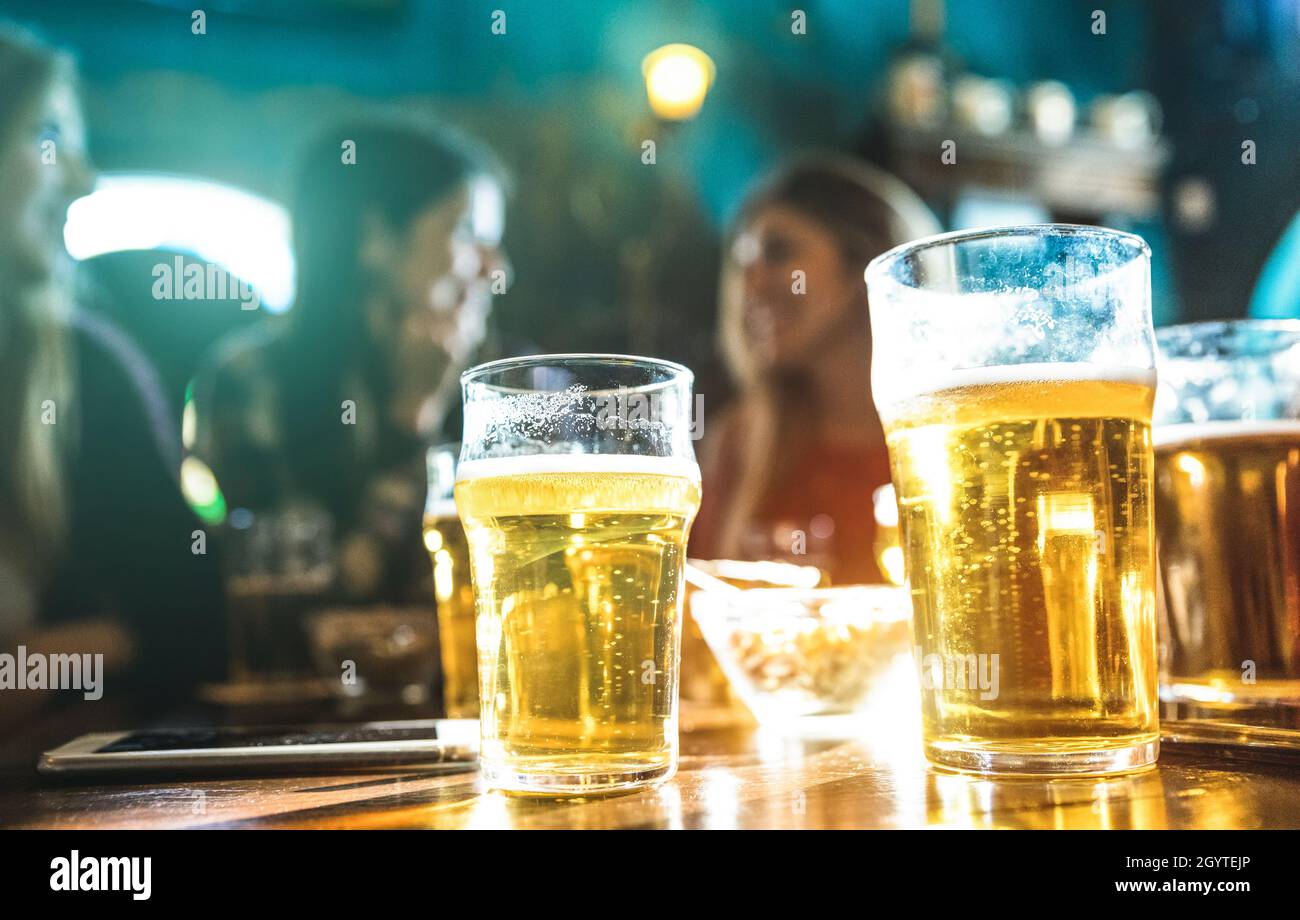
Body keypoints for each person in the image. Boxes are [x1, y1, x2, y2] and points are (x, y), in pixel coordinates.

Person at [0, 25, 225, 726]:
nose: (84, 177)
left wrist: (30, 663)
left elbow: (193, 623)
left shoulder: (83, 371)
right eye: (48, 137)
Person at [190, 119, 507, 604]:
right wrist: (411, 416)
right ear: (374, 239)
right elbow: (313, 601)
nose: (495, 268)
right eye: (464, 232)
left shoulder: (502, 388)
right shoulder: (251, 381)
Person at [690, 154, 940, 584]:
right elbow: (703, 615)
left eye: (779, 253)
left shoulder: (946, 443)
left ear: (863, 263)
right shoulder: (740, 444)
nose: (750, 287)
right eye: (742, 265)